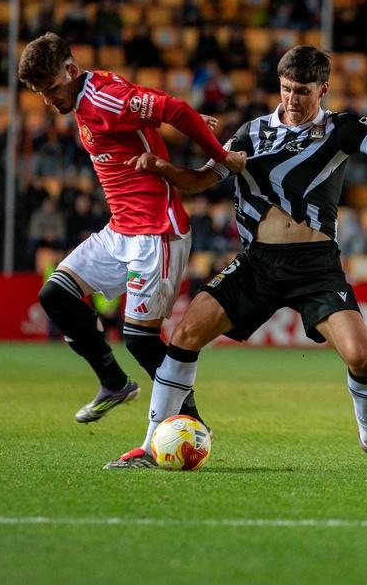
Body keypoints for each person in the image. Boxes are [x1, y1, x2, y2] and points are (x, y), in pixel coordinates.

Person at [106, 45, 367, 470]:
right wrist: (162, 169)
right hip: (256, 263)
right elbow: (199, 181)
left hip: (315, 265)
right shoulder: (250, 134)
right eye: (286, 89)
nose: (293, 99)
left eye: (303, 91)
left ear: (323, 89)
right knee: (185, 336)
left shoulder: (341, 129)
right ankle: (149, 446)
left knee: (360, 357)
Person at [17, 32, 246, 425]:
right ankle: (114, 383)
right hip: (121, 229)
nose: (49, 100)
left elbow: (172, 108)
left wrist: (221, 155)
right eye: (41, 94)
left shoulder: (101, 98)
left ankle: (190, 424)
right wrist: (187, 118)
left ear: (71, 70)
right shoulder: (92, 92)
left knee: (141, 340)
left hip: (156, 231)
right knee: (55, 294)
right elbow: (153, 104)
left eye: (52, 88)